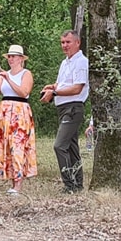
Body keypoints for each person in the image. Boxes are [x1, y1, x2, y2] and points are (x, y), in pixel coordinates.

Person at [39, 30, 90, 191]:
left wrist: (54, 93)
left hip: (73, 107)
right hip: (62, 107)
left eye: (68, 42)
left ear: (77, 42)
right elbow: (63, 83)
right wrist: (52, 87)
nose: (65, 46)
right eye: (62, 42)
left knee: (59, 145)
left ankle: (69, 184)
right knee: (71, 147)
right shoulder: (65, 62)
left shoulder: (81, 62)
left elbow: (77, 87)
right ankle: (77, 184)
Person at [0, 44, 37, 195]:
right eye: (9, 56)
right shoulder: (4, 75)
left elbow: (24, 92)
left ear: (21, 59)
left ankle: (18, 184)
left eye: (14, 56)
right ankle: (11, 180)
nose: (11, 59)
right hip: (5, 111)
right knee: (6, 145)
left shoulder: (25, 73)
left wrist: (8, 79)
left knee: (18, 145)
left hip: (19, 111)